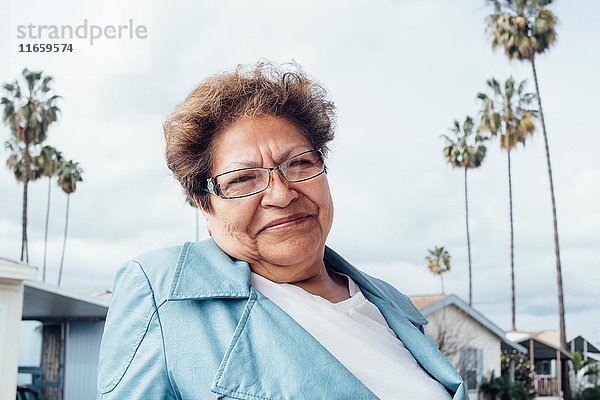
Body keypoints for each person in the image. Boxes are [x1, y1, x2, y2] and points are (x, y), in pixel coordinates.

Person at [97, 62, 467, 400]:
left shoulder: (391, 304)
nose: (281, 193)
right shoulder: (161, 292)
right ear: (204, 204)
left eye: (299, 163)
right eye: (242, 179)